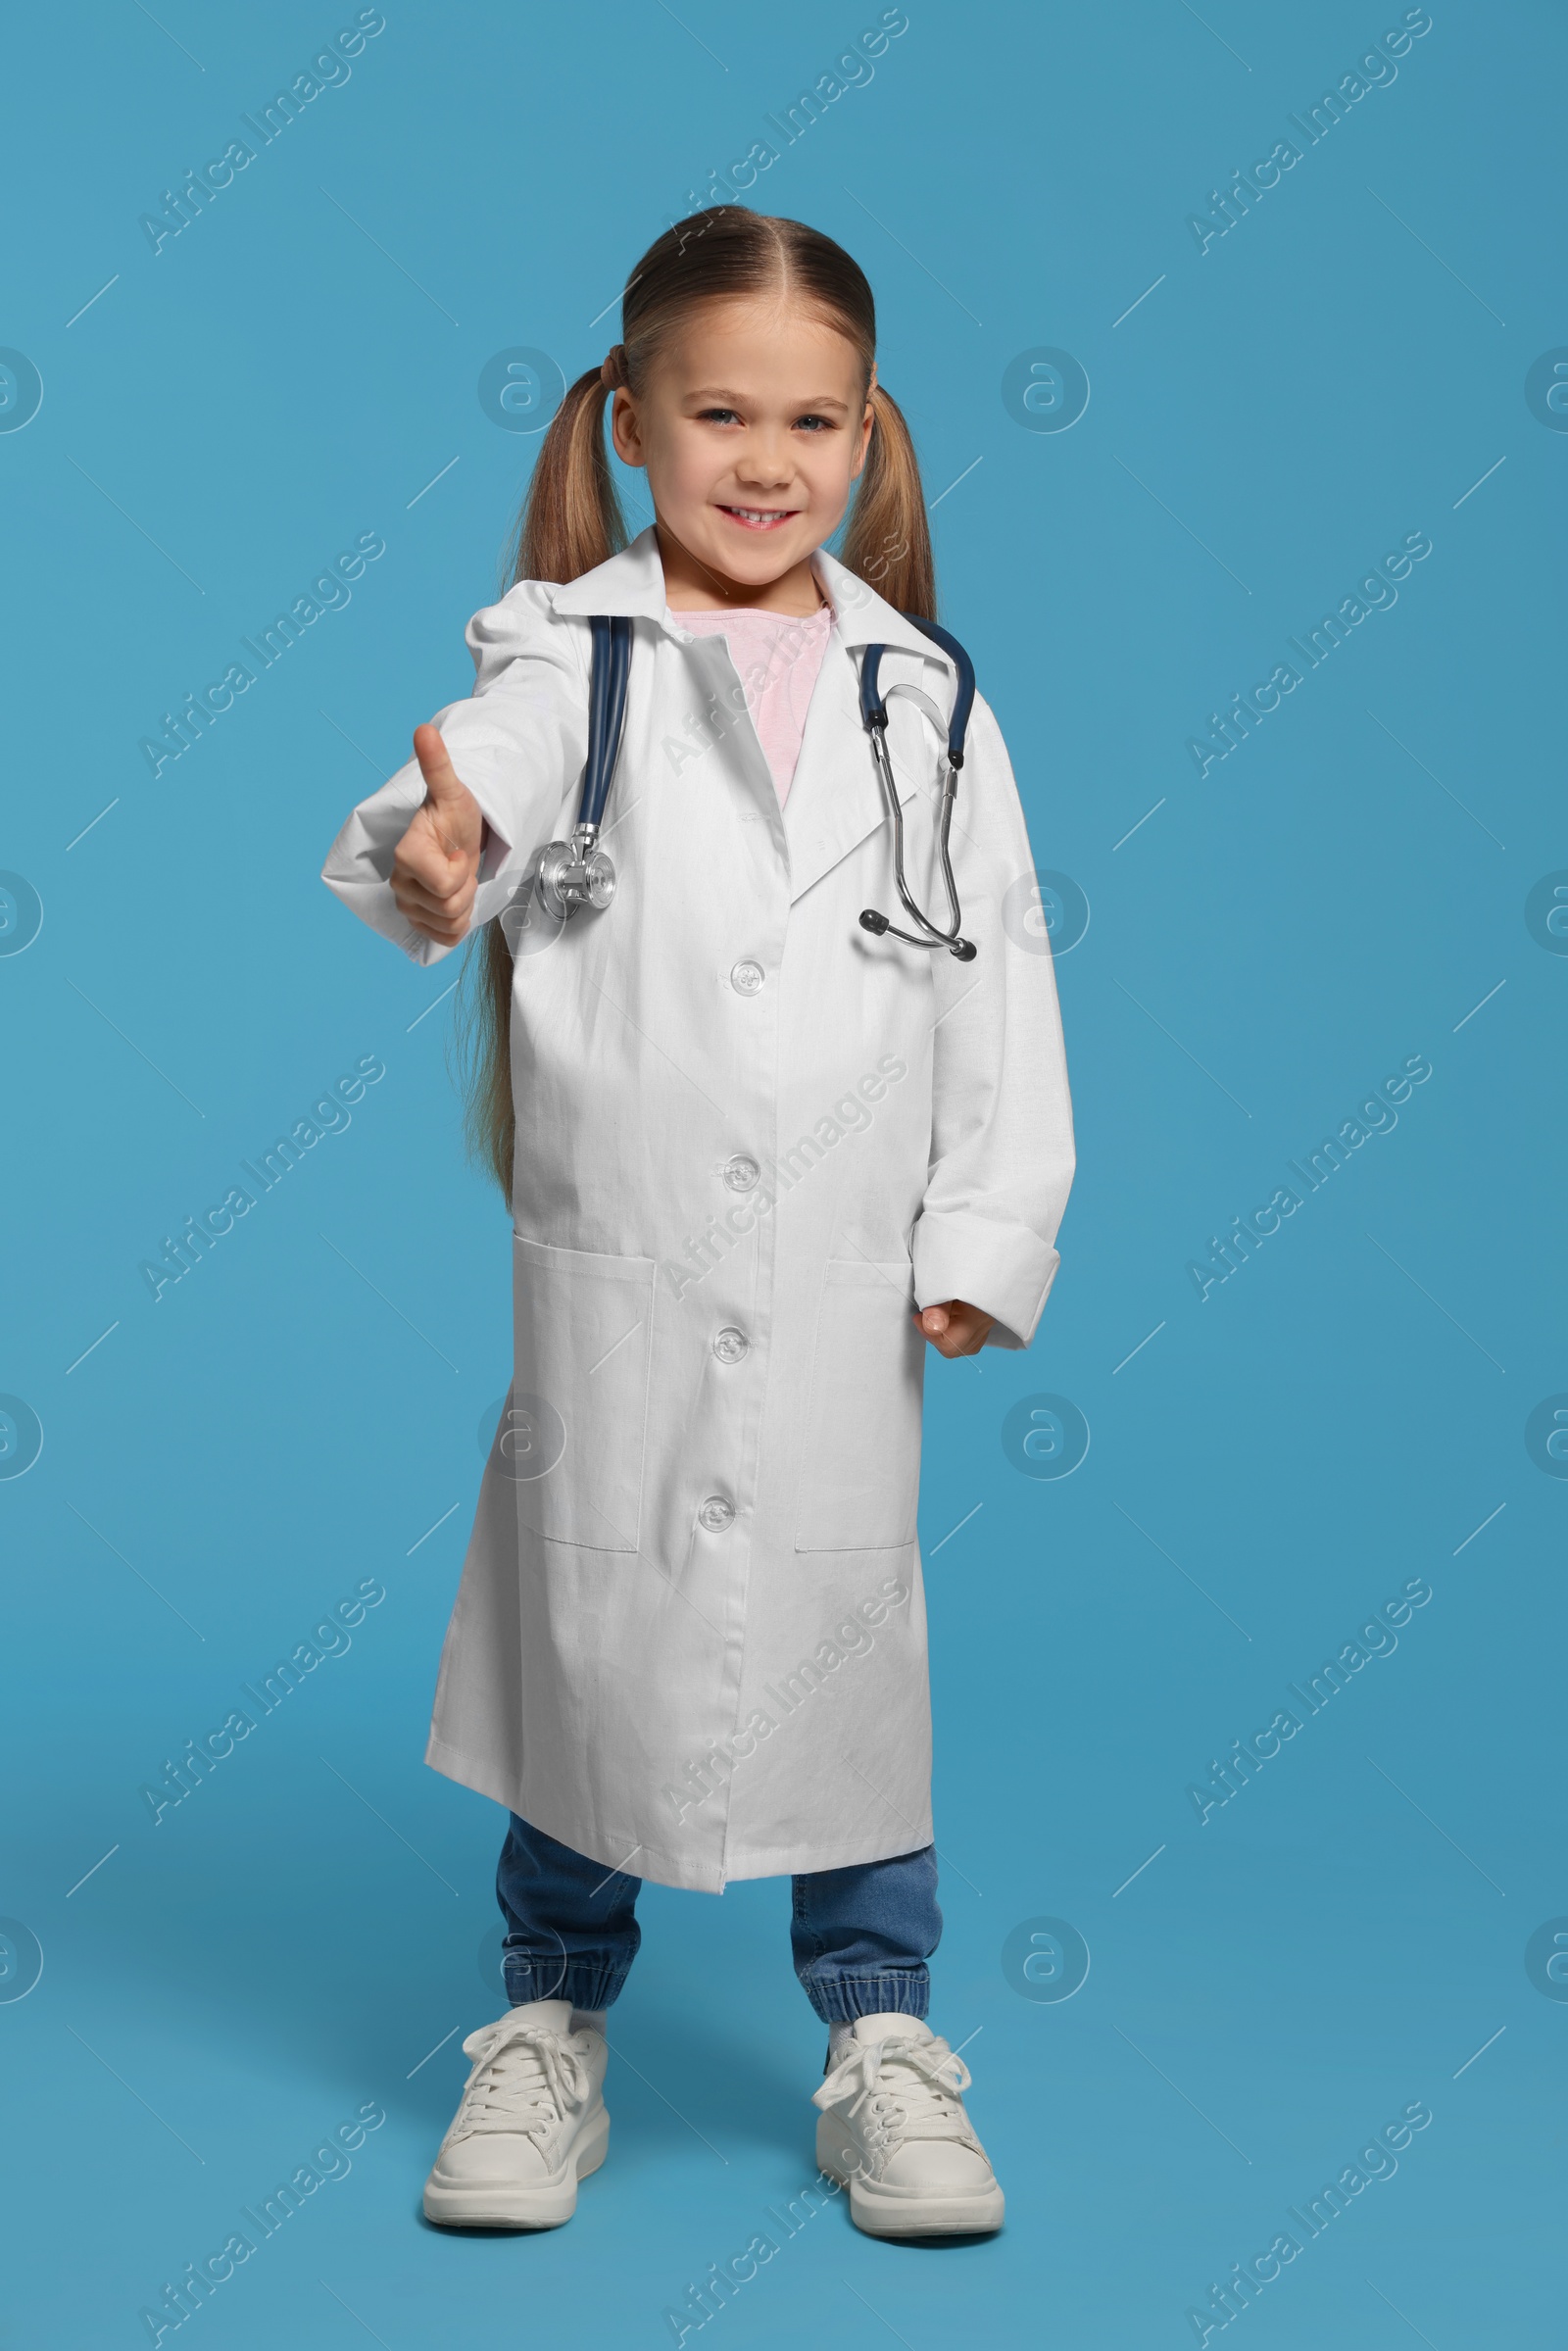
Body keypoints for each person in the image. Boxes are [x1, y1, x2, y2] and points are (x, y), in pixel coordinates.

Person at [320, 206, 1074, 2239]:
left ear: (869, 437)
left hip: (839, 1278)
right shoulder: (563, 655)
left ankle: (879, 2041)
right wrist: (435, 849)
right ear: (628, 419)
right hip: (627, 1283)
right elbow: (453, 806)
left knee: (850, 1639)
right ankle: (547, 2023)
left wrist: (981, 1231)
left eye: (809, 419)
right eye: (718, 410)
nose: (764, 457)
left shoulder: (925, 701)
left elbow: (996, 970)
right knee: (591, 1636)